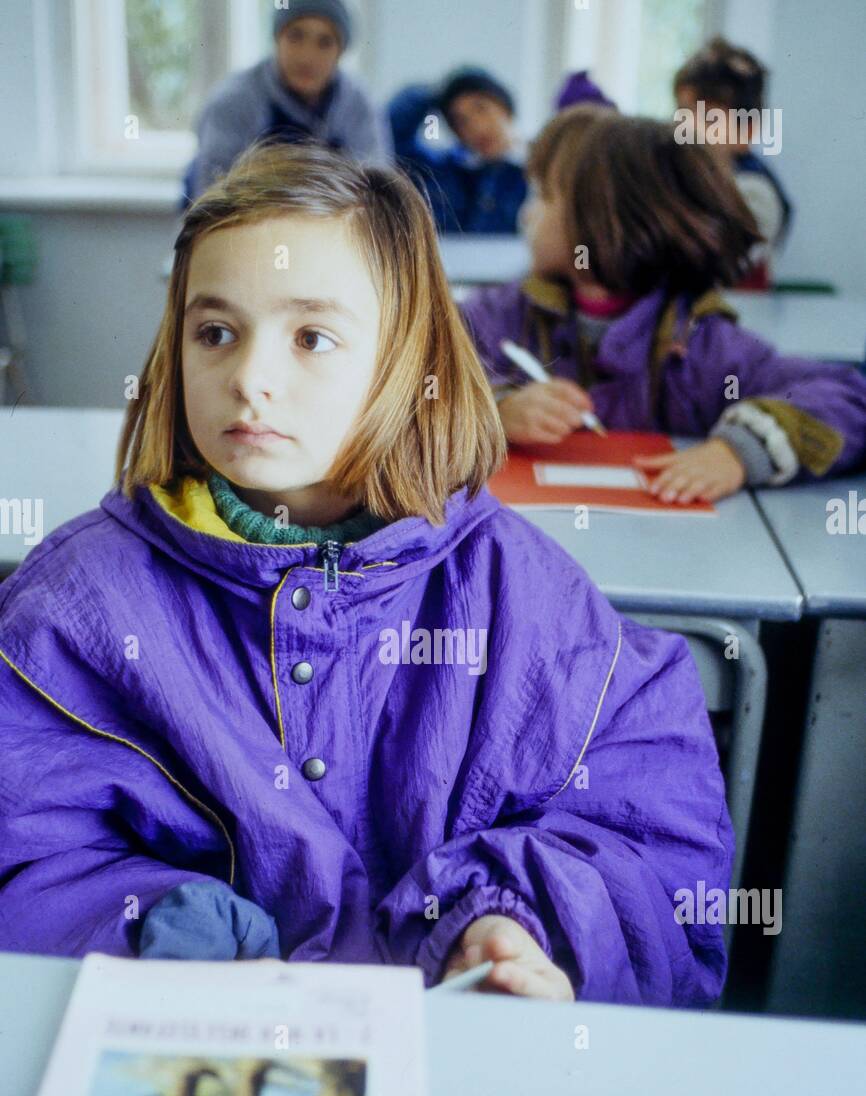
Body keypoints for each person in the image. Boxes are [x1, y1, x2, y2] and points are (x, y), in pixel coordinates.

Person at [0, 142, 733, 1005]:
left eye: (312, 336)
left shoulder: (517, 593)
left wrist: (522, 921)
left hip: (462, 1071)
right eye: (215, 331)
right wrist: (149, 928)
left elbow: (652, 827)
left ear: (405, 363)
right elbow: (29, 856)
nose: (250, 378)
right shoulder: (74, 607)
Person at [461, 110, 866, 503]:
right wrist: (498, 411)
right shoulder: (500, 314)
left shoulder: (699, 341)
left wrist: (737, 453)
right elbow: (421, 382)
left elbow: (847, 398)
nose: (528, 212)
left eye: (546, 196)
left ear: (604, 225)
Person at [181, 0, 390, 206]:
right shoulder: (232, 102)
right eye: (296, 36)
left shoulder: (359, 106)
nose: (307, 56)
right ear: (277, 37)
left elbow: (375, 195)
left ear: (340, 51)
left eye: (324, 42)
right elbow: (209, 199)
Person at [674, 36, 792, 289]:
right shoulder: (683, 177)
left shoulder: (755, 192)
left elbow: (715, 262)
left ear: (747, 132)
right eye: (682, 114)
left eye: (708, 119)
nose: (688, 128)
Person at [388, 67, 526, 233]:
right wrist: (436, 93)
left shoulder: (538, 169)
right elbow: (391, 139)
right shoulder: (446, 172)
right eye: (461, 121)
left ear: (505, 108)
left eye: (481, 109)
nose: (476, 126)